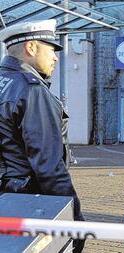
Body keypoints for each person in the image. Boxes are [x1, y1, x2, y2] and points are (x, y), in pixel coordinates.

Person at [0, 20, 84, 252]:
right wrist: (74, 217)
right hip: (29, 202)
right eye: (51, 49)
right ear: (31, 47)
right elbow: (48, 166)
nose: (56, 57)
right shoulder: (31, 90)